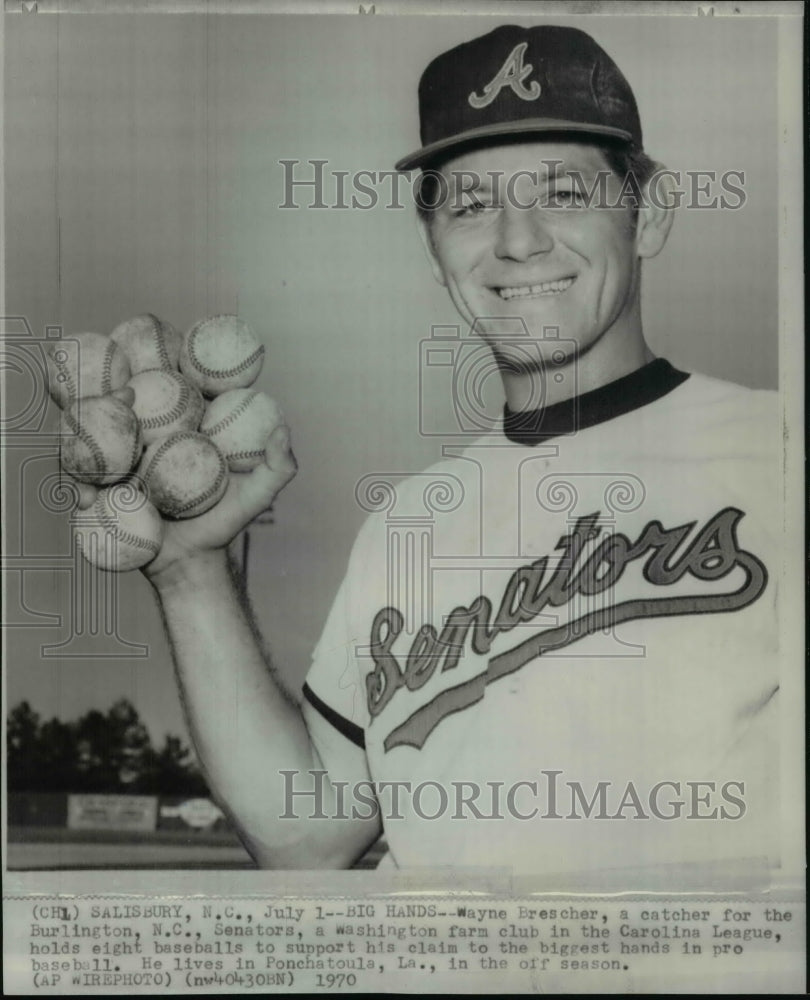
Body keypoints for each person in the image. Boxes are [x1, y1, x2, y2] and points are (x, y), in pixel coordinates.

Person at [68, 24, 780, 874]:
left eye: (561, 191)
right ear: (433, 249)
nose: (518, 240)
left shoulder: (779, 454)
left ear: (648, 213)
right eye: (472, 205)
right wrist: (191, 572)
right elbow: (307, 837)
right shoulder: (410, 526)